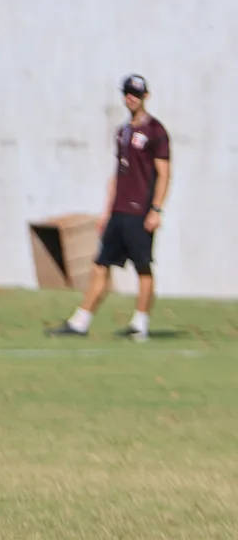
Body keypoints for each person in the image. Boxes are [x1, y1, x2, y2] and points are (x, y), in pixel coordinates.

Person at [47, 74, 171, 340]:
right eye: (127, 93)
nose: (131, 97)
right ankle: (80, 322)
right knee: (100, 265)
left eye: (136, 93)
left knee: (142, 267)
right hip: (119, 212)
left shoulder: (156, 132)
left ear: (145, 96)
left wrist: (156, 209)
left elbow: (164, 172)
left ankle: (140, 325)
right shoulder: (123, 132)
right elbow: (118, 174)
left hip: (140, 212)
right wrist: (106, 211)